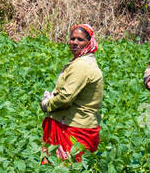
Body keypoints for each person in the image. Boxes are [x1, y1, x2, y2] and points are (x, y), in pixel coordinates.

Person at [41, 24, 104, 163]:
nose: (74, 42)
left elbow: (66, 98)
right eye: (72, 38)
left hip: (74, 125)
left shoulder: (82, 65)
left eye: (80, 39)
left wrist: (47, 104)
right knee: (71, 171)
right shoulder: (82, 61)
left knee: (67, 169)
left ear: (89, 42)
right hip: (77, 122)